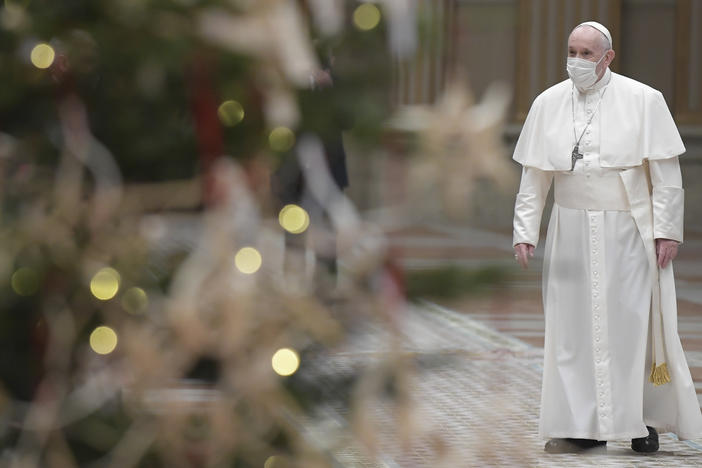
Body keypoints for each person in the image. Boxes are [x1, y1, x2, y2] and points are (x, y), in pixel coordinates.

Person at [512, 21, 702, 454]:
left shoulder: (643, 99)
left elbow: (666, 176)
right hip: (570, 230)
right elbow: (534, 176)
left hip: (628, 229)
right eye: (572, 51)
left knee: (631, 325)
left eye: (586, 53)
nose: (576, 61)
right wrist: (525, 231)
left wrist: (668, 231)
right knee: (572, 328)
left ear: (607, 57)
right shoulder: (548, 102)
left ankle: (640, 420)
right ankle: (579, 426)